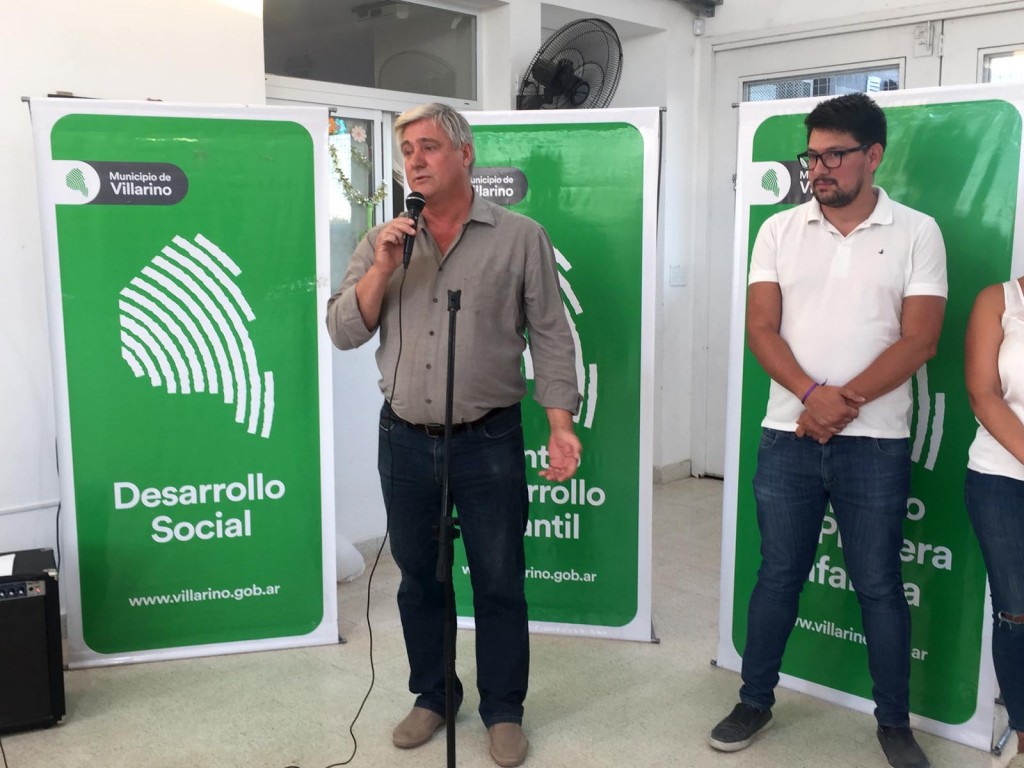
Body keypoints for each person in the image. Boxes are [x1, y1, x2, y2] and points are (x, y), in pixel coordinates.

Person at [326, 102, 582, 768]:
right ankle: (434, 695)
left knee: (499, 579)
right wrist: (382, 267)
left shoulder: (520, 237)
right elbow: (344, 331)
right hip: (404, 440)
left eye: (430, 146)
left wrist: (560, 424)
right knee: (419, 579)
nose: (415, 159)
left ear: (465, 154)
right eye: (407, 149)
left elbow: (551, 334)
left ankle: (504, 709)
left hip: (487, 440)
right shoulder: (384, 240)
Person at [709, 93, 947, 768]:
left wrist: (843, 404)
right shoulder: (779, 230)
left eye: (835, 155)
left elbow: (920, 339)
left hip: (875, 444)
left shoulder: (917, 232)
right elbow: (762, 328)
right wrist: (812, 398)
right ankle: (754, 700)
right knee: (779, 574)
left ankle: (893, 724)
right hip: (787, 435)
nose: (818, 168)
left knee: (878, 583)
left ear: (874, 156)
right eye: (811, 156)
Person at [964, 278, 1024, 768]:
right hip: (1001, 480)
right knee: (1016, 613)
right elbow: (983, 394)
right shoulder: (999, 301)